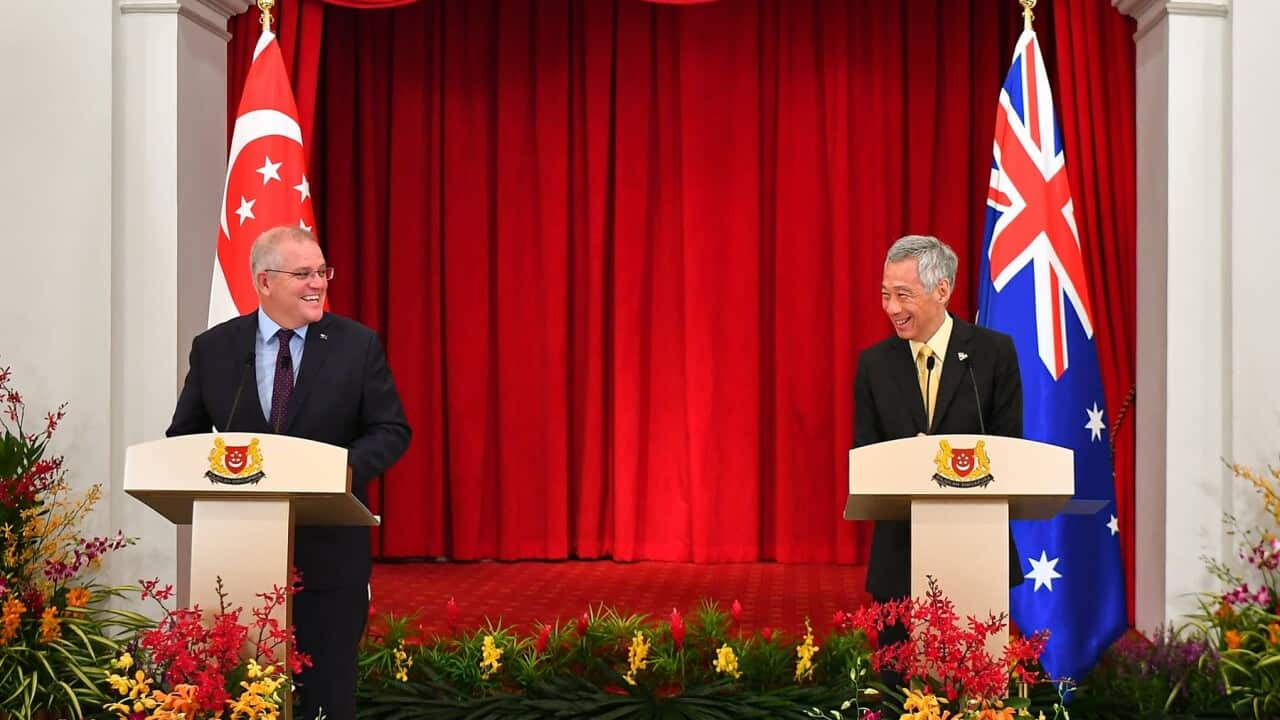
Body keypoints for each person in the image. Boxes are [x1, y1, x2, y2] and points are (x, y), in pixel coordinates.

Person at [167, 225, 411, 720]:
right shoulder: (214, 348)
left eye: (322, 272)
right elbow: (184, 439)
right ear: (264, 282)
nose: (317, 283)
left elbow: (391, 430)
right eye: (302, 274)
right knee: (236, 694)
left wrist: (341, 469)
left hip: (329, 558)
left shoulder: (356, 345)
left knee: (326, 697)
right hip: (234, 564)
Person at [852, 234, 1023, 654]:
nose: (892, 308)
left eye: (903, 295)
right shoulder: (874, 364)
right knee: (899, 691)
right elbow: (865, 456)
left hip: (976, 552)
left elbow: (1010, 447)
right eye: (885, 294)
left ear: (942, 289)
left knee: (977, 693)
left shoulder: (993, 354)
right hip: (899, 560)